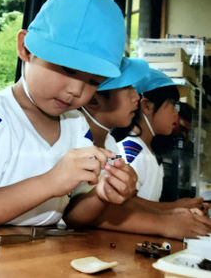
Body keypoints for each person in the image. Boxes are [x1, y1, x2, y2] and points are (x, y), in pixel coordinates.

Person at [0, 0, 137, 227]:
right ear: (26, 48)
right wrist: (51, 182)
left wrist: (102, 196)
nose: (76, 91)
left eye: (93, 82)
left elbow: (72, 216)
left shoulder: (77, 126)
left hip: (40, 256)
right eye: (68, 70)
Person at [77, 59, 211, 239]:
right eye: (127, 88)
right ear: (95, 98)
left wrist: (174, 210)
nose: (137, 97)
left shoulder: (109, 143)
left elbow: (123, 202)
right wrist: (166, 222)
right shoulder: (77, 139)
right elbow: (82, 211)